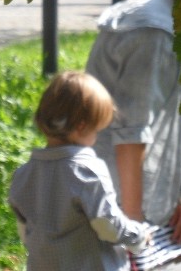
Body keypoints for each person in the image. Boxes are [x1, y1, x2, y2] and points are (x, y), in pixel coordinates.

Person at [86, 0, 181, 271]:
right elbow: (129, 133)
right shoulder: (153, 31)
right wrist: (134, 232)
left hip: (159, 191)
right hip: (116, 200)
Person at [8, 70, 150, 271]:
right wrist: (138, 236)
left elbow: (25, 233)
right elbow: (107, 225)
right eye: (97, 130)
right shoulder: (87, 171)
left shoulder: (23, 175)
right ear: (82, 127)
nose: (96, 138)